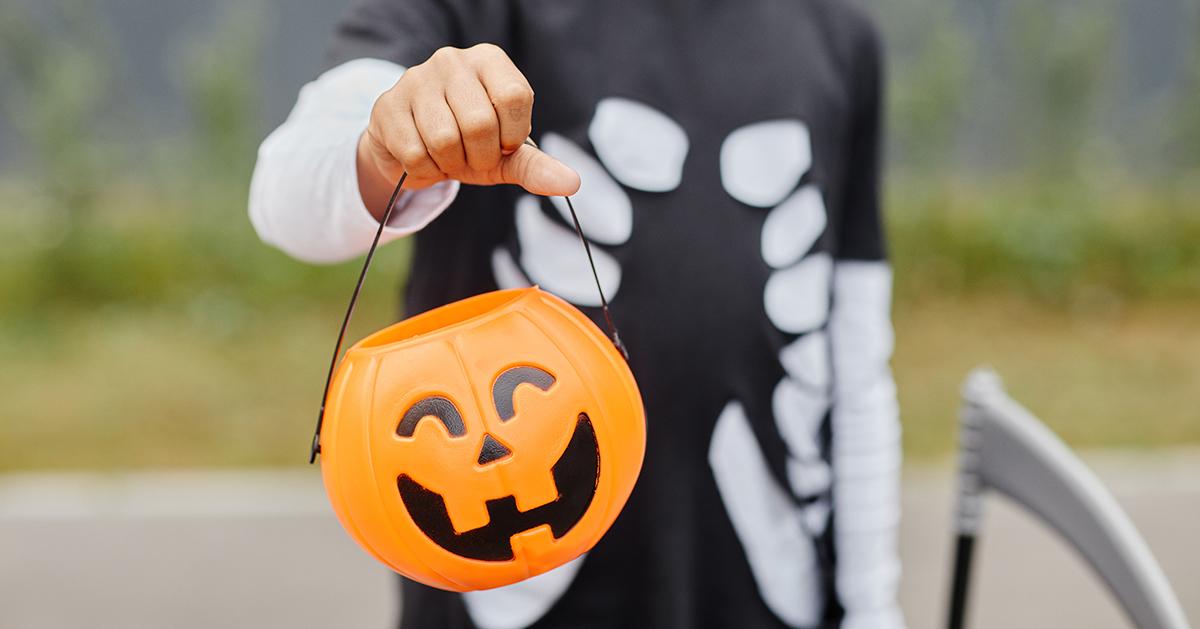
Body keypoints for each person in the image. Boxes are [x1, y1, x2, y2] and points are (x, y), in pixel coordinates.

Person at [249, 1, 903, 627]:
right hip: (509, 580)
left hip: (772, 586)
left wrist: (875, 606)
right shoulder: (472, 10)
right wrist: (382, 147)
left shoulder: (840, 35)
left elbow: (857, 356)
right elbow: (288, 190)